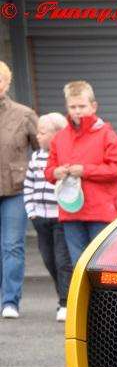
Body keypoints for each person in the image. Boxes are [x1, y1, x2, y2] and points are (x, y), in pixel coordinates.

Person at [44, 81, 117, 265]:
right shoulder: (59, 138)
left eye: (82, 106)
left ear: (93, 106)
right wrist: (55, 172)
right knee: (79, 266)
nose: (77, 111)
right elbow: (49, 171)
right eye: (72, 107)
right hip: (71, 212)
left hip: (100, 212)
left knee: (103, 265)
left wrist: (85, 171)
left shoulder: (106, 134)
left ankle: (105, 295)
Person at [24, 112, 71, 321]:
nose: (38, 136)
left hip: (60, 219)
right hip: (40, 218)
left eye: (42, 133)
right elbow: (29, 185)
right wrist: (31, 212)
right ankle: (62, 294)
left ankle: (65, 302)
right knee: (48, 259)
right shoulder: (35, 157)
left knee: (62, 260)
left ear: (57, 134)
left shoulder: (65, 156)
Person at [0, 61, 38, 320]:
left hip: (15, 190)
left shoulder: (24, 115)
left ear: (7, 83)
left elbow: (44, 149)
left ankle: (10, 301)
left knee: (12, 246)